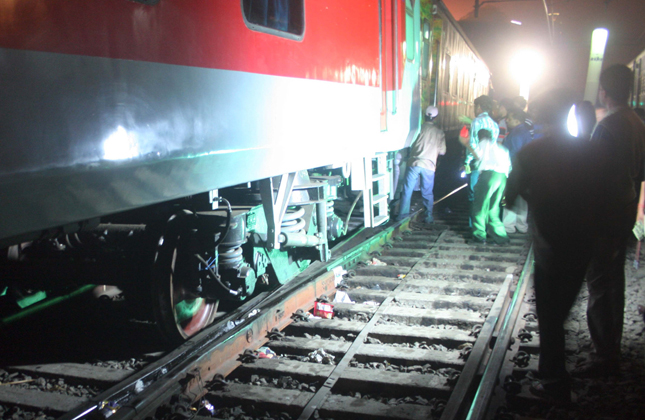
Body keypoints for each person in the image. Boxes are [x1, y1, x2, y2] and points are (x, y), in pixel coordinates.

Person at [505, 89, 603, 403]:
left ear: (541, 117)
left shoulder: (531, 152)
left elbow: (510, 195)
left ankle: (554, 383)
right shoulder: (589, 150)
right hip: (583, 242)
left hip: (549, 246)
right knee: (559, 312)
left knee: (549, 316)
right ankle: (555, 377)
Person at [574, 64, 645, 377]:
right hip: (626, 208)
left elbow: (592, 176)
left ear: (604, 91)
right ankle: (609, 348)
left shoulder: (608, 127)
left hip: (606, 212)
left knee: (601, 281)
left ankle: (604, 355)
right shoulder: (637, 123)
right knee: (614, 279)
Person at [397, 106, 446, 223]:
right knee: (427, 192)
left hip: (414, 163)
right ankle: (428, 217)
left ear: (424, 115)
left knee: (407, 190)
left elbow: (408, 144)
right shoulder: (439, 133)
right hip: (429, 165)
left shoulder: (417, 129)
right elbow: (443, 151)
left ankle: (402, 215)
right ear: (435, 118)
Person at [469, 129, 510, 244]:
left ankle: (479, 236)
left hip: (489, 176)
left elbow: (476, 159)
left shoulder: (483, 144)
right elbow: (509, 166)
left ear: (479, 137)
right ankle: (501, 238)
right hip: (502, 177)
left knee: (480, 207)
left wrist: (469, 164)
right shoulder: (502, 148)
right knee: (493, 208)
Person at [502, 108, 533, 234]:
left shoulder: (515, 134)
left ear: (517, 120)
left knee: (510, 196)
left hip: (515, 170)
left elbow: (514, 154)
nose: (507, 120)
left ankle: (508, 226)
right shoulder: (525, 132)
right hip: (525, 170)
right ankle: (522, 225)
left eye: (509, 118)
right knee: (522, 200)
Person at [465, 96, 499, 204]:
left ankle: (473, 219)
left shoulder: (476, 121)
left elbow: (473, 143)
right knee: (485, 196)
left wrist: (467, 161)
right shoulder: (495, 125)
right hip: (490, 162)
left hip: (477, 161)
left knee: (473, 195)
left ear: (478, 107)